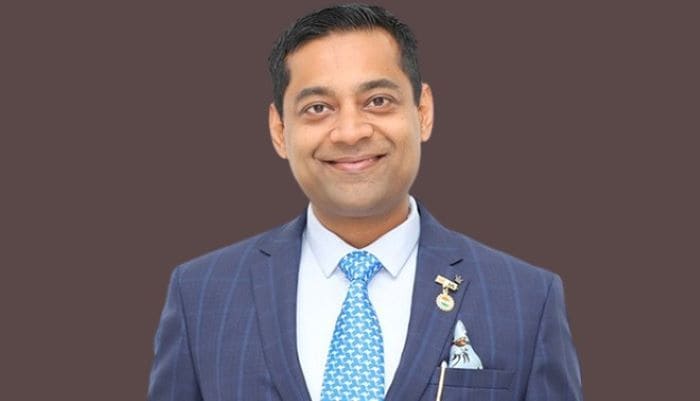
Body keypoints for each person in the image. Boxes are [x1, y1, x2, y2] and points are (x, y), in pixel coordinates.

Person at [148, 4, 583, 401]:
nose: (350, 132)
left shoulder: (528, 299)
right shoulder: (201, 295)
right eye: (318, 107)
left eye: (377, 101)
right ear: (279, 130)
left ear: (423, 111)